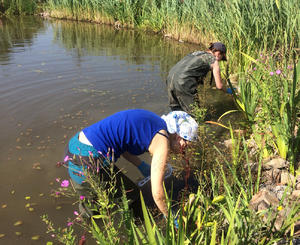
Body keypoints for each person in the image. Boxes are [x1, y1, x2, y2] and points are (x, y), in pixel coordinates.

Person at [63, 109, 198, 219]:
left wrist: (140, 165)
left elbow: (123, 143)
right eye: (185, 145)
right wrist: (170, 216)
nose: (183, 150)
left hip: (76, 146)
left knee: (90, 204)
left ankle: (89, 228)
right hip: (89, 158)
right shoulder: (162, 142)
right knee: (131, 198)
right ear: (179, 137)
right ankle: (134, 228)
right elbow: (157, 193)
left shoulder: (154, 122)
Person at [166, 42, 234, 113]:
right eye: (222, 57)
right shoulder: (214, 61)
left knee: (176, 111)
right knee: (195, 114)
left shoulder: (196, 53)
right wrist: (229, 90)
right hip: (183, 82)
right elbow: (219, 86)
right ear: (218, 53)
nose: (220, 60)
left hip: (170, 78)